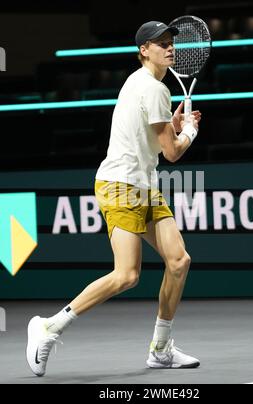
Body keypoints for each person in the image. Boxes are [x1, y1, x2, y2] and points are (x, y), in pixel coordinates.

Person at [26, 20, 202, 377]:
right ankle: (48, 327)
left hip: (144, 186)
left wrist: (172, 124)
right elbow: (171, 153)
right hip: (120, 185)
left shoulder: (144, 85)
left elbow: (153, 139)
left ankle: (161, 348)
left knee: (179, 260)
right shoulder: (154, 89)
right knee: (126, 276)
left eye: (171, 42)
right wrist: (190, 131)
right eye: (160, 43)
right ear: (143, 50)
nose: (169, 48)